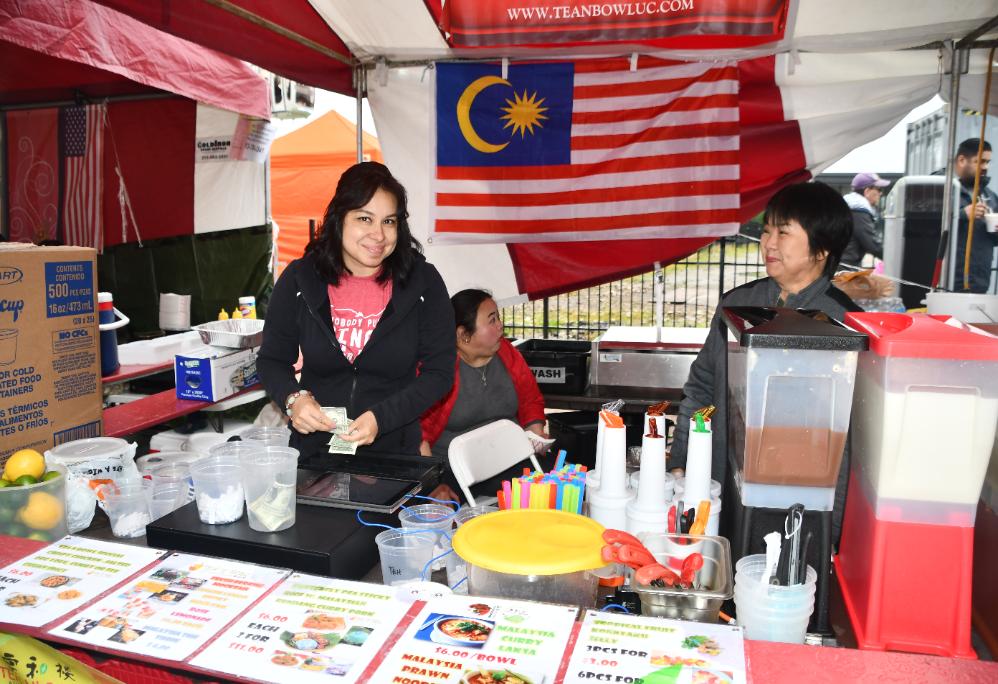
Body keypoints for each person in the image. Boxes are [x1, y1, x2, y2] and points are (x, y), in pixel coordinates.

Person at [669, 181, 861, 539]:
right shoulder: (737, 304)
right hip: (724, 480)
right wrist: (680, 461)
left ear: (822, 249)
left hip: (799, 500)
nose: (769, 243)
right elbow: (701, 386)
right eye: (767, 230)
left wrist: (834, 532)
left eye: (783, 233)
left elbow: (849, 441)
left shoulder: (845, 323)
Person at [257, 161, 455, 458]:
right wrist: (293, 399)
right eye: (365, 219)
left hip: (393, 452)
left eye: (389, 221)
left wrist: (381, 418)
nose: (379, 235)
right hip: (315, 453)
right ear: (339, 218)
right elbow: (272, 360)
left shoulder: (423, 282)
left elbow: (439, 373)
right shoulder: (300, 278)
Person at [420, 289, 548, 502]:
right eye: (492, 320)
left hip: (510, 461)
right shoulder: (437, 370)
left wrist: (536, 435)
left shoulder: (506, 352)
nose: (500, 325)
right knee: (442, 509)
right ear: (463, 335)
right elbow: (418, 434)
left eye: (498, 317)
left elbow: (530, 400)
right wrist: (433, 484)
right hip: (455, 474)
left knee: (556, 485)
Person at [953, 138, 998, 293]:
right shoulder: (945, 192)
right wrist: (962, 214)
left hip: (980, 282)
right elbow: (929, 229)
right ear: (962, 160)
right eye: (980, 161)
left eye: (988, 162)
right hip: (949, 281)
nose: (985, 167)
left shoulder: (990, 196)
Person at [841, 172, 889, 267]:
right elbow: (872, 245)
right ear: (867, 191)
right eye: (879, 189)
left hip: (839, 265)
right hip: (845, 267)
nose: (880, 193)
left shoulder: (849, 207)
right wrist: (893, 258)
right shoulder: (858, 211)